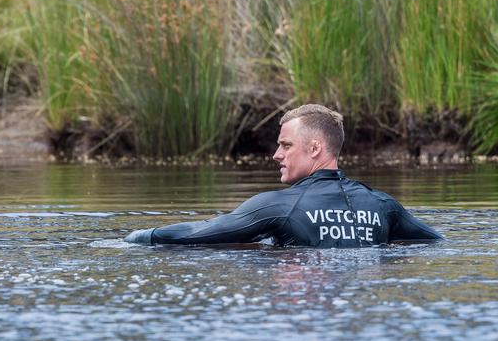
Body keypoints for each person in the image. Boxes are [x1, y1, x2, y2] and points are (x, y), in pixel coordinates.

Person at [125, 104, 443, 247]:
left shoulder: (280, 206)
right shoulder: (383, 206)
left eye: (286, 145)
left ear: (315, 148)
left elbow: (197, 233)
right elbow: (436, 241)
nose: (277, 155)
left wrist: (137, 237)